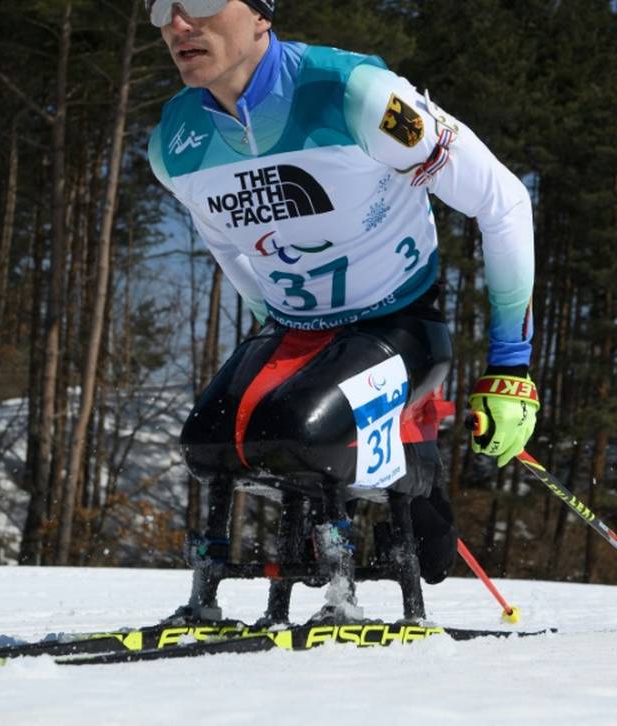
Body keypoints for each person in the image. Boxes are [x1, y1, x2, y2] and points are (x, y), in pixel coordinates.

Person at [146, 0, 537, 623]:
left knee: (299, 430)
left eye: (199, 1)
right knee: (210, 439)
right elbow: (227, 245)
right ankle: (211, 593)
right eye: (160, 5)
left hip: (399, 320)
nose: (177, 23)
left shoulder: (360, 97)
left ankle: (410, 465)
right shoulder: (173, 144)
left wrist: (510, 366)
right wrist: (267, 336)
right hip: (300, 333)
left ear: (262, 14)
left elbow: (505, 201)